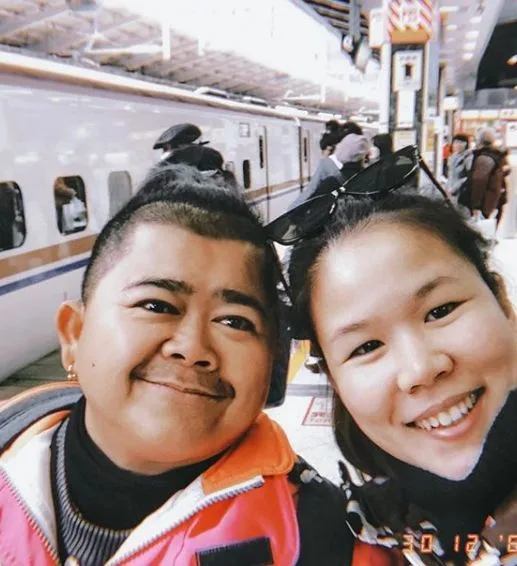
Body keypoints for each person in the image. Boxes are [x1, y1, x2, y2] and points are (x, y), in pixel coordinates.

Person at [0, 165, 350, 565]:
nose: (193, 347)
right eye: (156, 305)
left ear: (271, 362)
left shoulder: (325, 540)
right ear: (74, 335)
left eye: (235, 322)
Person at [284, 191, 517, 564]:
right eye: (366, 347)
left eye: (440, 310)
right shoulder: (360, 532)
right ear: (334, 380)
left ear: (502, 302)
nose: (419, 369)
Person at [460, 128, 505, 219]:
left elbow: (479, 182)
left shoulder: (484, 158)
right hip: (492, 201)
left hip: (484, 204)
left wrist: (476, 206)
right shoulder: (496, 155)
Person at [447, 133, 472, 209]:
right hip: (451, 192)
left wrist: (454, 188)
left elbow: (468, 177)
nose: (457, 145)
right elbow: (451, 175)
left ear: (466, 144)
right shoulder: (453, 157)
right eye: (455, 142)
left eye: (461, 142)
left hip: (462, 193)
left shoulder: (469, 157)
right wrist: (448, 188)